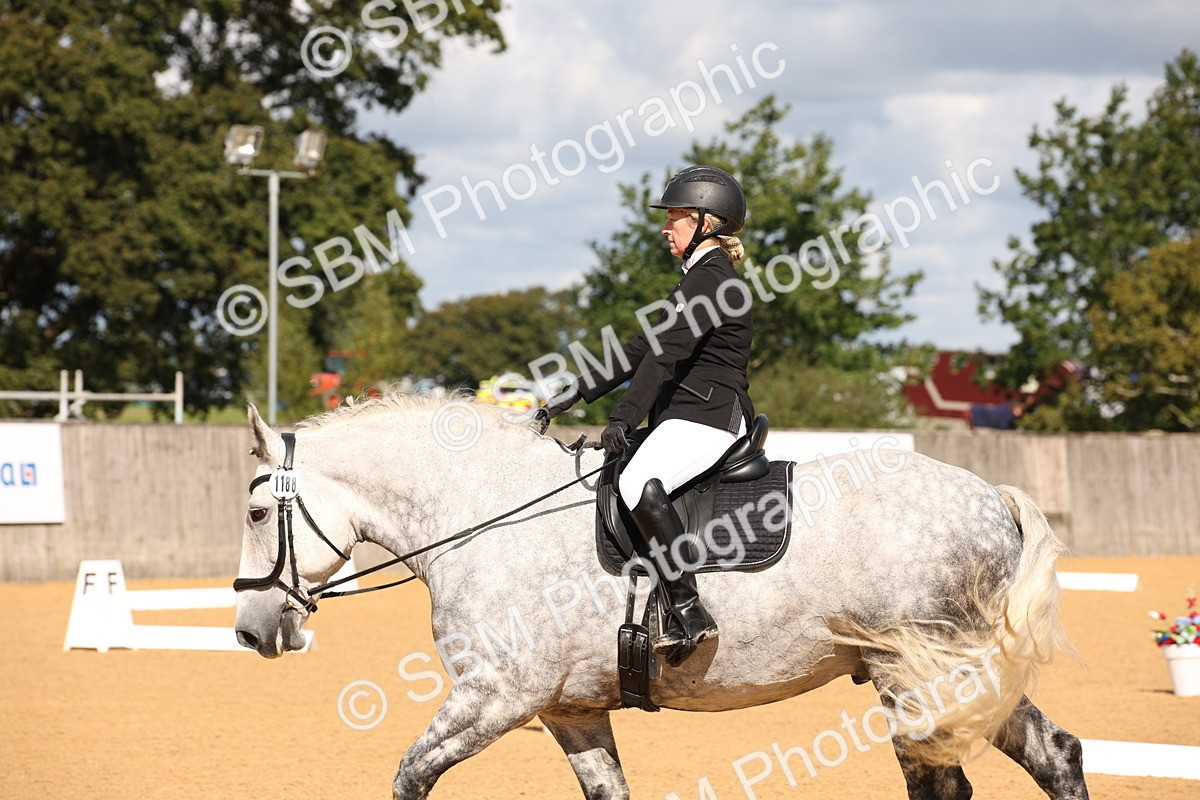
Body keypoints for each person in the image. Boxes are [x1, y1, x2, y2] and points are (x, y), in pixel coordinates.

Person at [538, 165, 755, 667]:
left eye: (676, 217)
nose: (666, 227)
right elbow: (642, 347)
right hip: (690, 413)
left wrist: (623, 417)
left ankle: (689, 609)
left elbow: (667, 356)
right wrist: (573, 393)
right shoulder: (699, 278)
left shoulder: (714, 280)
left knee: (638, 481)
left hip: (708, 416)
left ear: (706, 222)